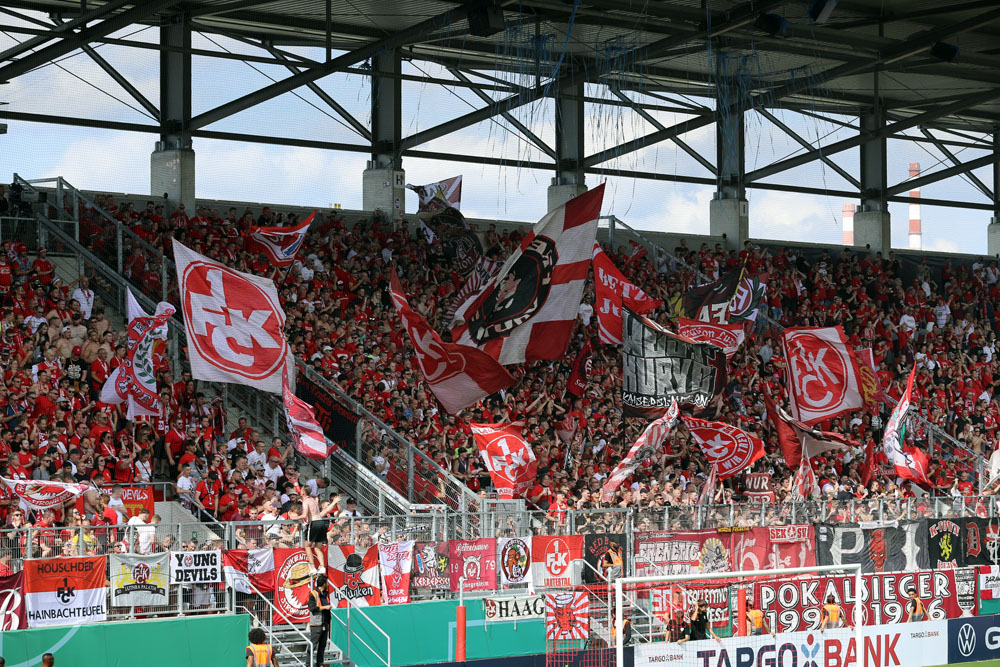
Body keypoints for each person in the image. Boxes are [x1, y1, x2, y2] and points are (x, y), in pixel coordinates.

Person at [308, 574, 333, 667]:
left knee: (322, 646)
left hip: (325, 623)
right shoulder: (313, 594)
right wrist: (325, 607)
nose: (328, 584)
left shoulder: (325, 594)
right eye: (327, 582)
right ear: (323, 583)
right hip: (316, 624)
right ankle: (308, 664)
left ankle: (320, 664)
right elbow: (312, 608)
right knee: (313, 646)